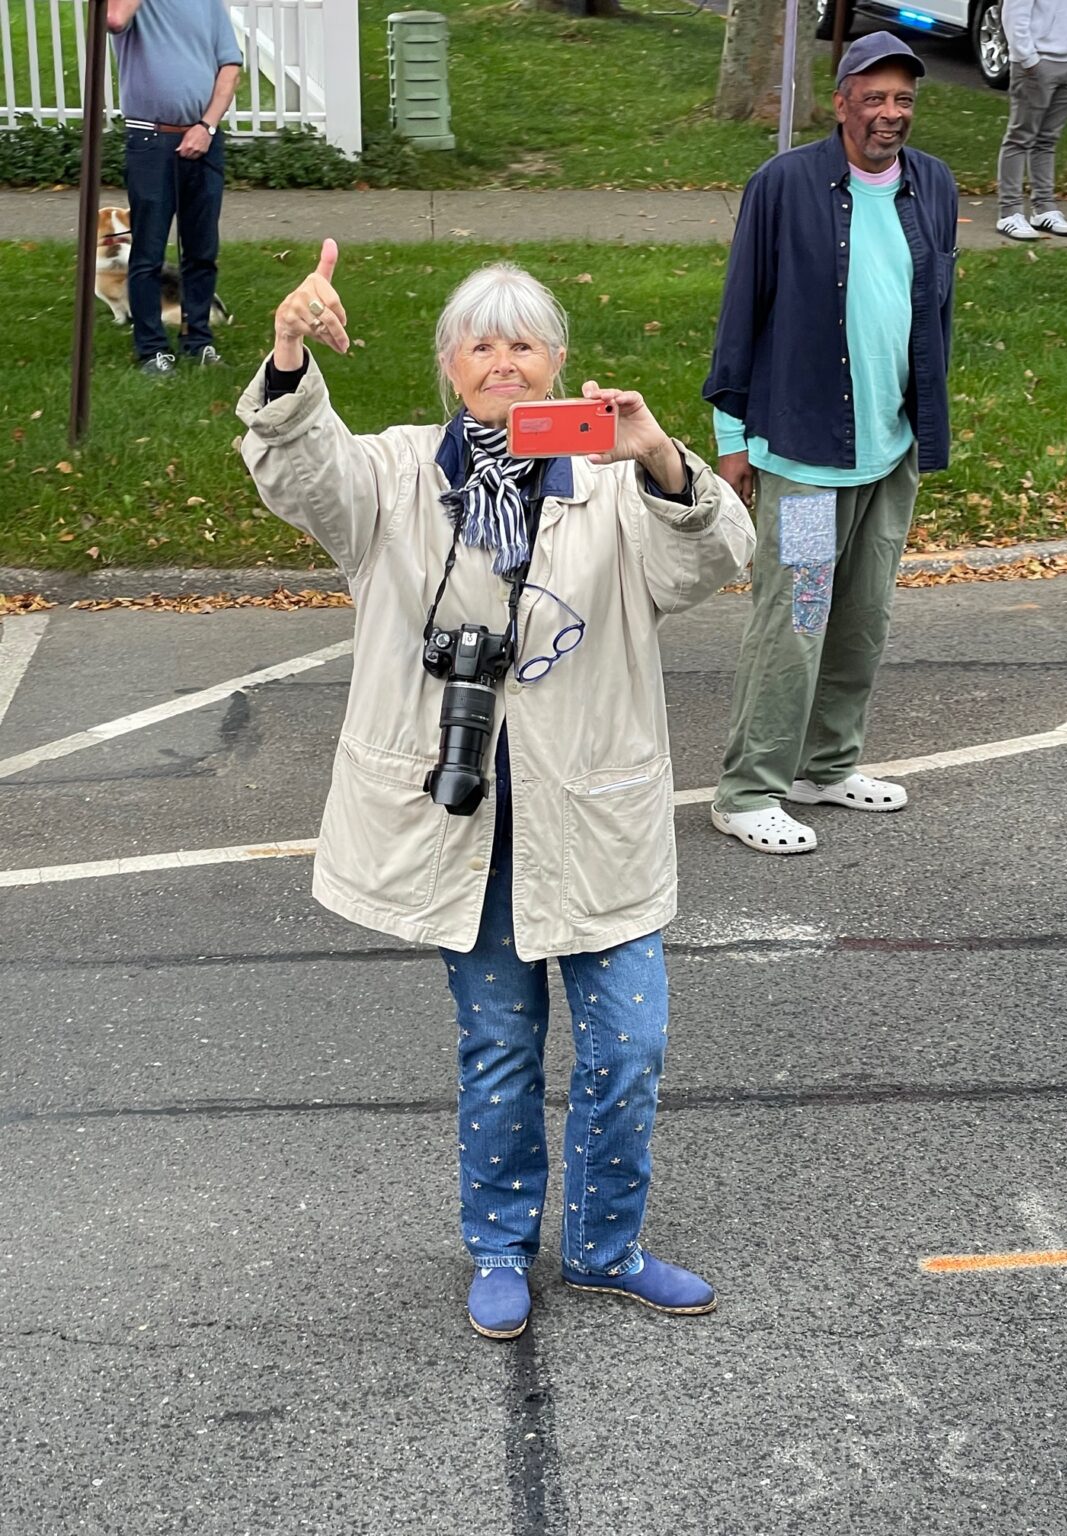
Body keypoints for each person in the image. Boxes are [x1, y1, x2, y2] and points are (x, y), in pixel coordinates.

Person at [236, 247, 755, 1340]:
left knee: (629, 1047)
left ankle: (608, 1248)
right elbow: (301, 474)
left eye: (524, 342)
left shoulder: (613, 482)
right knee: (502, 1052)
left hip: (594, 817)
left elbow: (711, 560)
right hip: (465, 821)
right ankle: (500, 1247)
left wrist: (659, 457)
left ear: (559, 362)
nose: (503, 361)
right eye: (481, 343)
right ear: (449, 366)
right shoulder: (395, 475)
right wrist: (286, 356)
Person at [702, 33, 957, 857]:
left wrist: (925, 423)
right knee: (797, 620)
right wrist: (734, 436)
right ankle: (748, 791)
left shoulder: (933, 184)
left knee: (862, 618)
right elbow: (742, 309)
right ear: (841, 101)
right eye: (874, 98)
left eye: (903, 99)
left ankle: (827, 765)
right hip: (807, 456)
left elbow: (937, 313)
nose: (890, 114)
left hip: (891, 450)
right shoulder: (784, 185)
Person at [106, 0, 242, 374]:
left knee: (202, 250)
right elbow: (114, 19)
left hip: (205, 138)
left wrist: (206, 126)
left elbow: (230, 68)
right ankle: (151, 349)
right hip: (150, 139)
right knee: (148, 252)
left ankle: (198, 341)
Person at [995, 0, 1067, 239]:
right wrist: (1029, 59)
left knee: (1048, 139)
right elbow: (1014, 16)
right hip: (1036, 64)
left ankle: (1044, 208)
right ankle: (1009, 212)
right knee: (1020, 137)